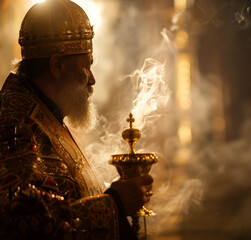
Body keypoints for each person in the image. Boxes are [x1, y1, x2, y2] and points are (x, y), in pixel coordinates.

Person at [0, 0, 153, 239]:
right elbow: (20, 219)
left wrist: (112, 195)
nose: (92, 80)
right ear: (57, 65)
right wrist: (114, 203)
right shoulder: (15, 122)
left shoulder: (43, 115)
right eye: (86, 67)